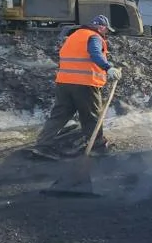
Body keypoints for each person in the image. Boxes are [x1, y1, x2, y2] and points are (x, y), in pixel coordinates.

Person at [30, 15, 121, 160]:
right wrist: (108, 68)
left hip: (64, 83)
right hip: (85, 84)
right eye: (106, 30)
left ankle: (42, 146)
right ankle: (97, 146)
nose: (106, 33)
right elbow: (95, 54)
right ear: (101, 27)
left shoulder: (74, 36)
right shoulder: (94, 37)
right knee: (91, 116)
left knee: (59, 115)